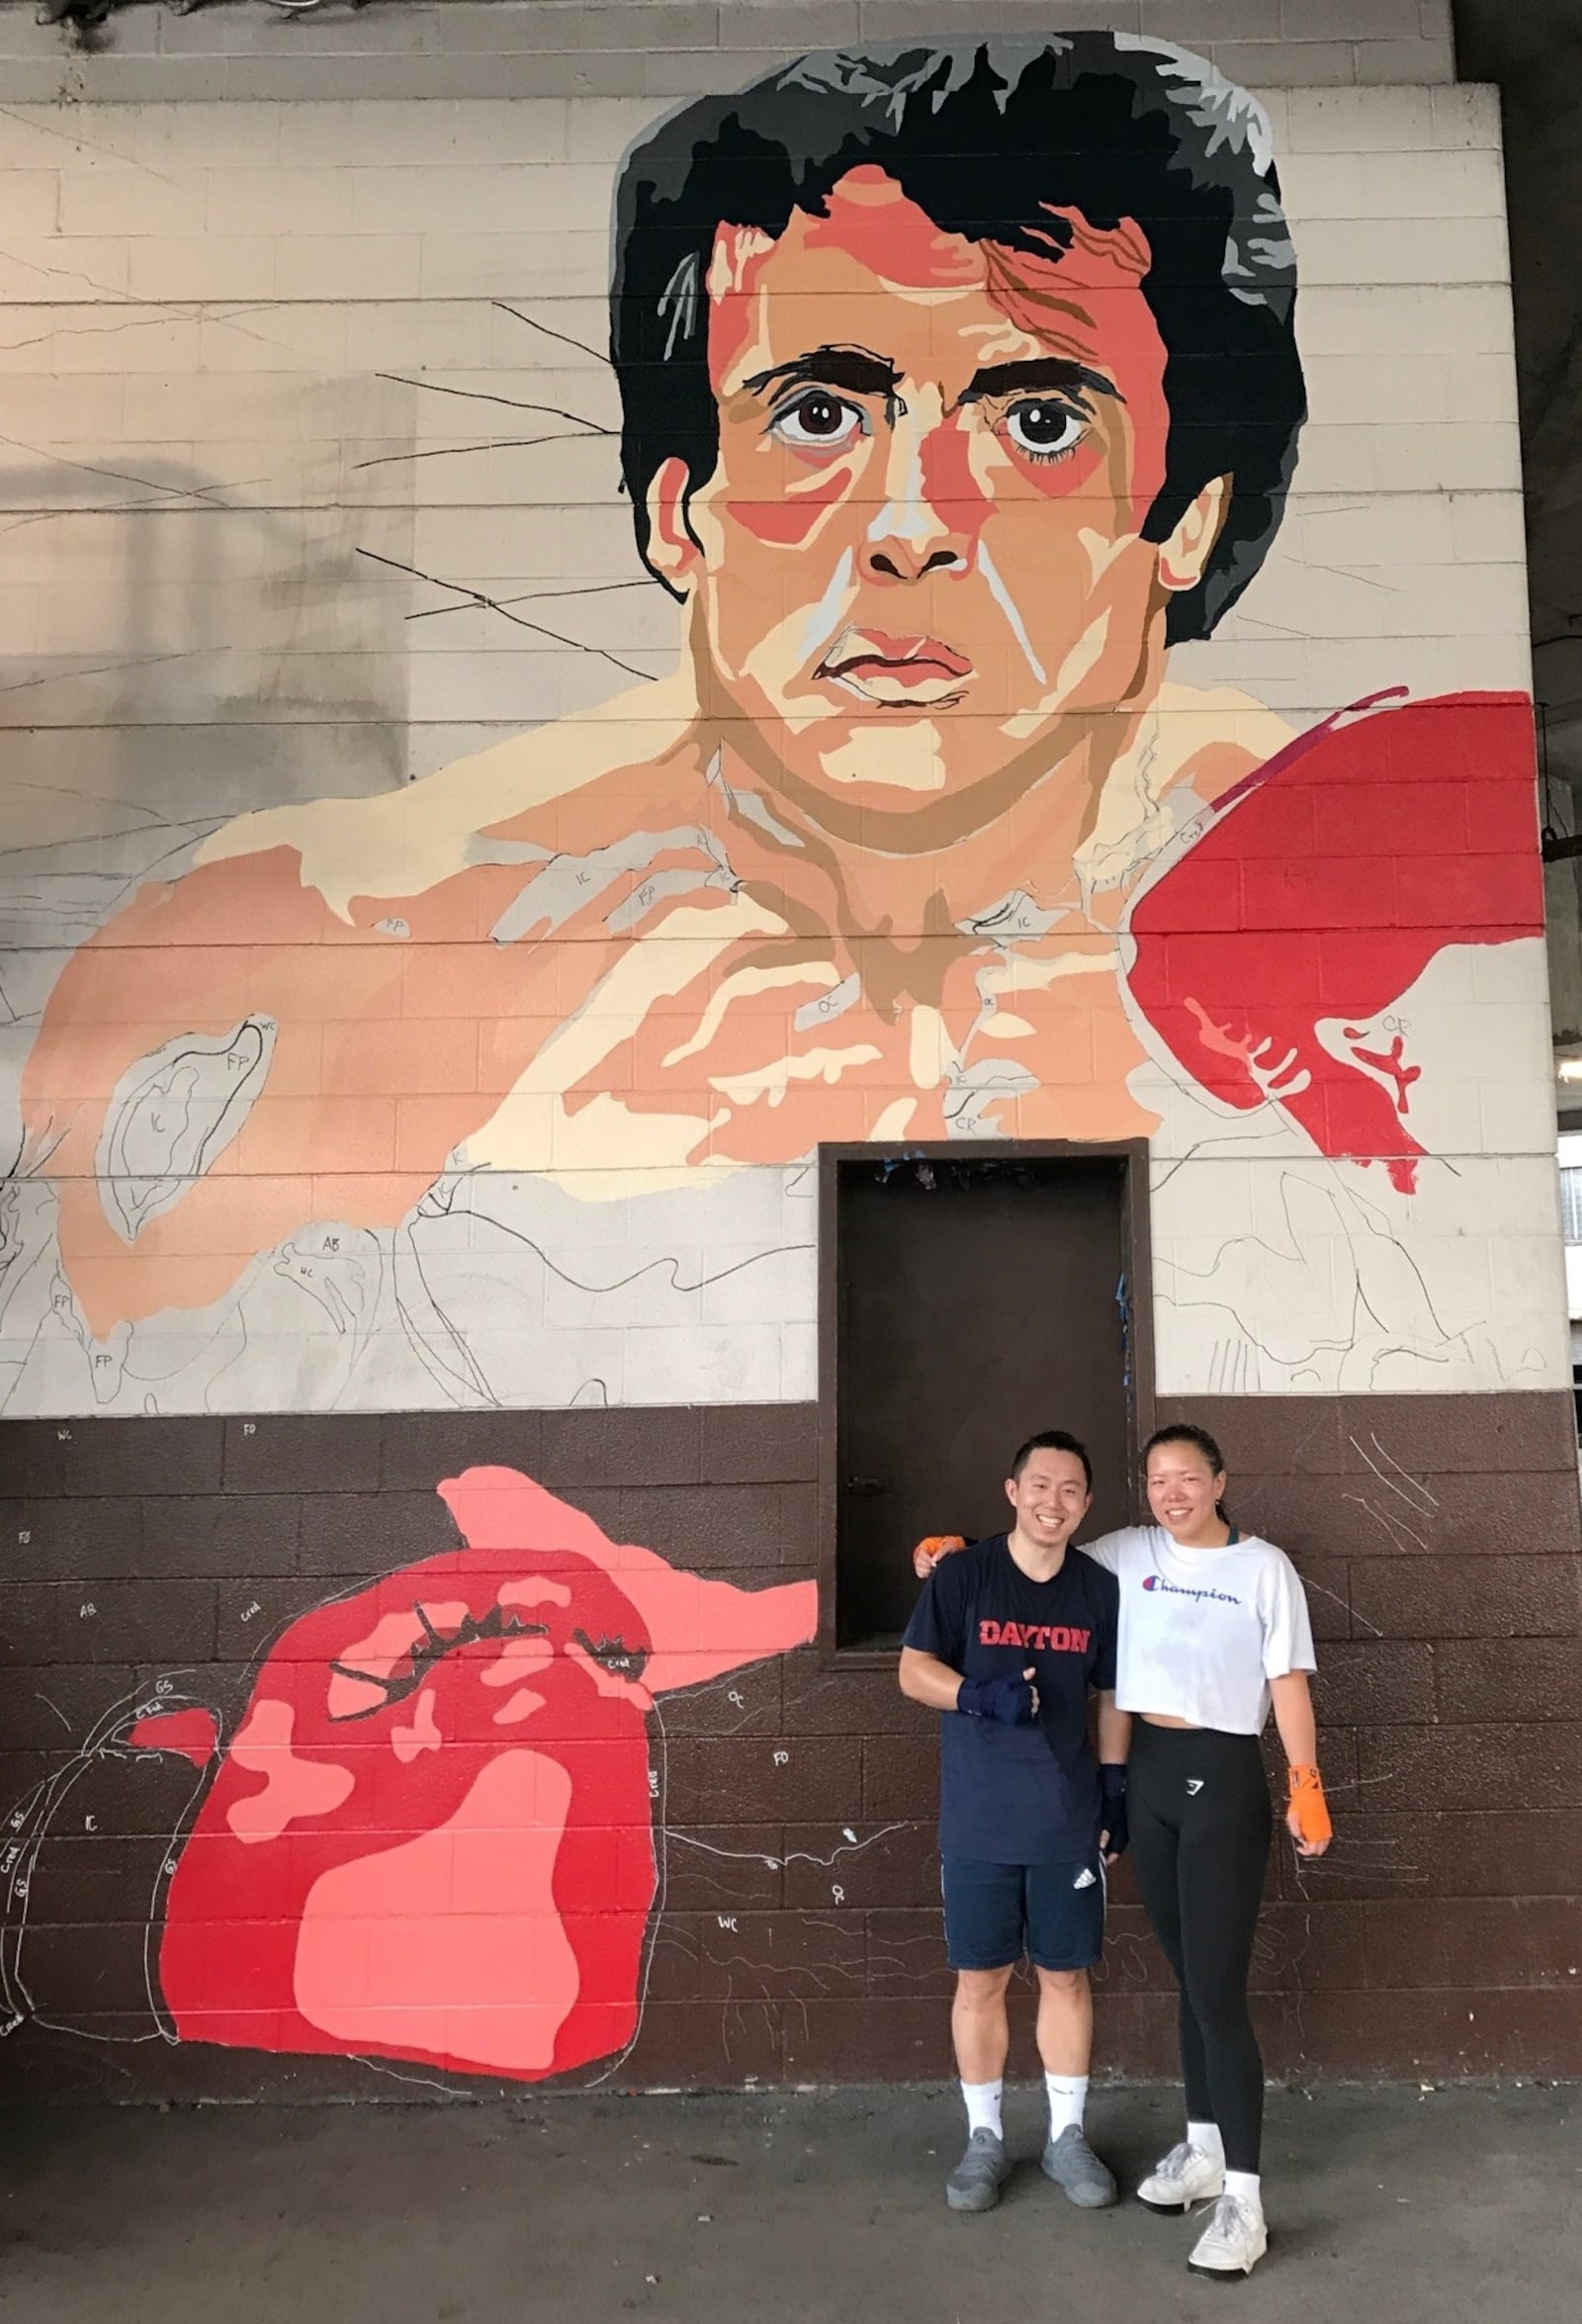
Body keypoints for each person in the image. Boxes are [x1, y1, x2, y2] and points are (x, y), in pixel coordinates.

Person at [13, 36, 1538, 1421]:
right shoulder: (314, 962)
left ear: (1188, 516)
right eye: (821, 414)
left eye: (1040, 421)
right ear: (683, 511)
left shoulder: (1369, 951)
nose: (911, 527)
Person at [923, 1424, 1331, 2275]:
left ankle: (1244, 2203)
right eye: (1156, 1479)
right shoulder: (1127, 1550)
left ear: (1221, 1480)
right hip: (1149, 1773)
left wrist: (1305, 1779)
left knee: (1217, 1993)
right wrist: (952, 1551)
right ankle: (1204, 2148)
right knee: (1190, 1979)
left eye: (1188, 1477)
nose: (1172, 1492)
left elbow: (1287, 1678)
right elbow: (1039, 1539)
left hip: (1221, 1774)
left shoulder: (1265, 1568)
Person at [898, 1431, 1128, 2215]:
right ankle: (984, 2139)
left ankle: (1067, 2138)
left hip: (1066, 1820)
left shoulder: (1098, 1589)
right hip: (979, 1821)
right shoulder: (964, 1575)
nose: (1052, 1502)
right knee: (981, 1979)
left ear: (1086, 1504)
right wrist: (975, 1695)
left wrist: (1115, 1787)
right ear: (1012, 1490)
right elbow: (912, 1671)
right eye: (1039, 1486)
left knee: (1065, 1976)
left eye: (1069, 1490)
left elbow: (1113, 1697)